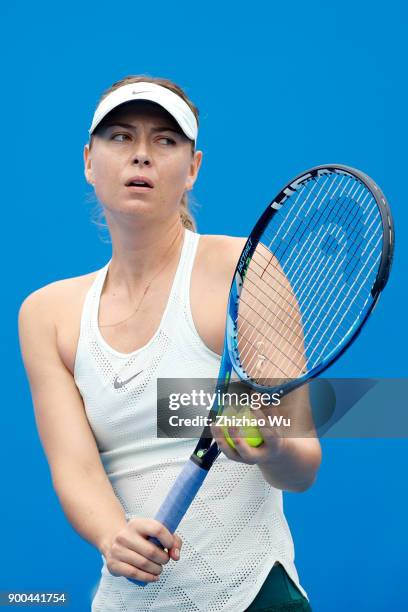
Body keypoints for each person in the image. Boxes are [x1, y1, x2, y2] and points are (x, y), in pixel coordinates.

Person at [18, 75, 321, 611]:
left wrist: (270, 446)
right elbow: (76, 468)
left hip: (254, 596)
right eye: (120, 137)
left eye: (165, 140)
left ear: (192, 168)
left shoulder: (243, 270)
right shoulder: (46, 315)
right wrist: (113, 536)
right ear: (89, 161)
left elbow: (303, 464)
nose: (141, 156)